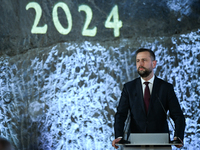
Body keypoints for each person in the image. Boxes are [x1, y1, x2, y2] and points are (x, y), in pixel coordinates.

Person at [112, 48, 185, 149]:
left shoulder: (166, 88)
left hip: (160, 143)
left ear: (154, 64)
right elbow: (120, 115)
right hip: (134, 143)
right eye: (138, 61)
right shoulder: (129, 88)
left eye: (144, 60)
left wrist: (178, 136)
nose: (140, 64)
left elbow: (177, 115)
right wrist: (119, 136)